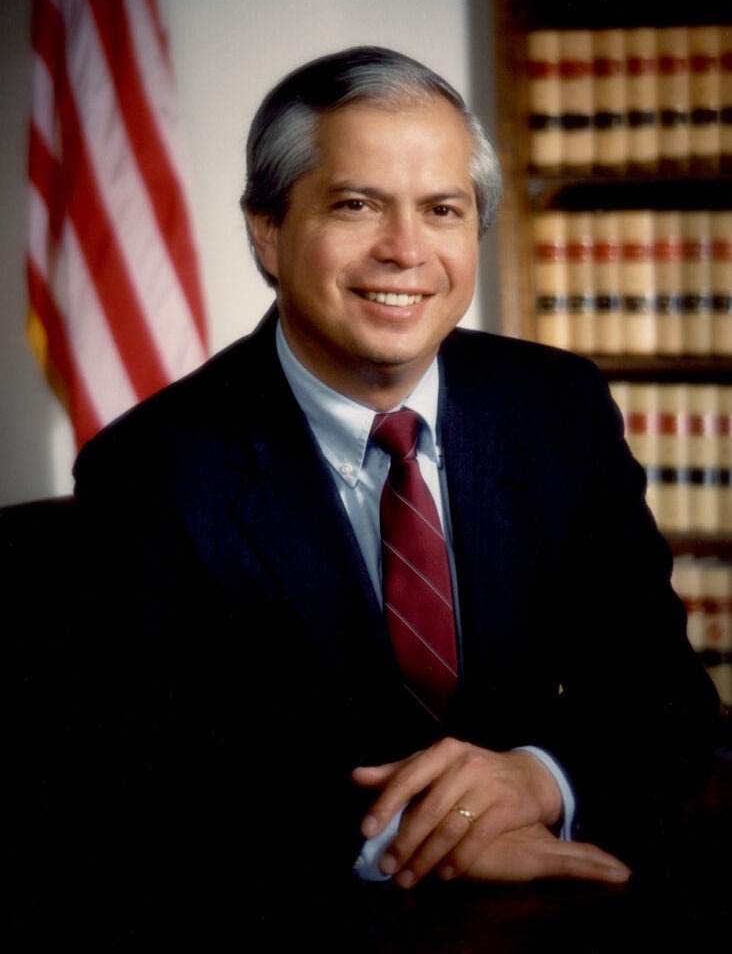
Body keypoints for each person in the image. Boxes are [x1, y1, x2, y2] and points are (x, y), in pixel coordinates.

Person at [55, 46, 717, 942]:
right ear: (267, 232)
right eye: (357, 204)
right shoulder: (154, 469)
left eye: (442, 210)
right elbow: (134, 783)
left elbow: (665, 699)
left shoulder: (556, 410)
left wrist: (535, 778)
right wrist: (428, 836)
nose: (407, 251)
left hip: (554, 921)